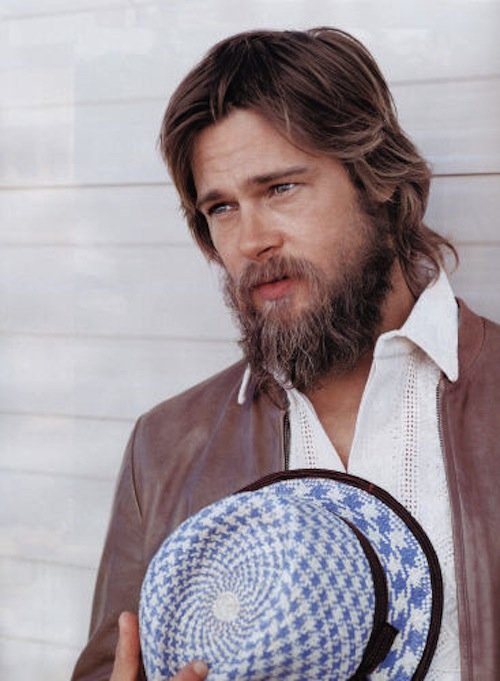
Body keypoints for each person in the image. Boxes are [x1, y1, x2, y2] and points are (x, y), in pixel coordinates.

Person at [72, 28, 500, 681]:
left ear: (376, 178)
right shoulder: (164, 448)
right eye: (221, 207)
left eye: (280, 188)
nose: (252, 240)